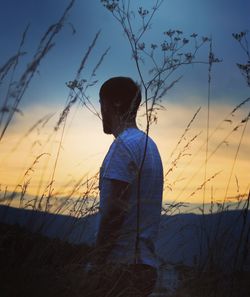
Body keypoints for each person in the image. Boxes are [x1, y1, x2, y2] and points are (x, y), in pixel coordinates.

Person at [88, 77, 163, 297]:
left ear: (116, 104)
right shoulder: (150, 146)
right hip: (145, 266)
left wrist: (97, 262)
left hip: (120, 268)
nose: (101, 111)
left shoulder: (123, 147)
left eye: (102, 103)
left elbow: (115, 211)